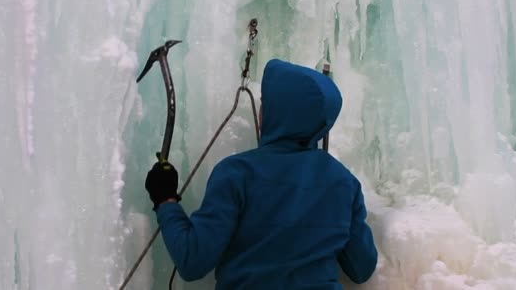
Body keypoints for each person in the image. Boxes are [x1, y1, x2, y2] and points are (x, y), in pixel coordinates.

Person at [145, 59, 378, 289]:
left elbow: (192, 261)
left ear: (279, 112)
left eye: (265, 103)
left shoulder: (236, 174)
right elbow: (361, 268)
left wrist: (165, 200)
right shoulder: (343, 183)